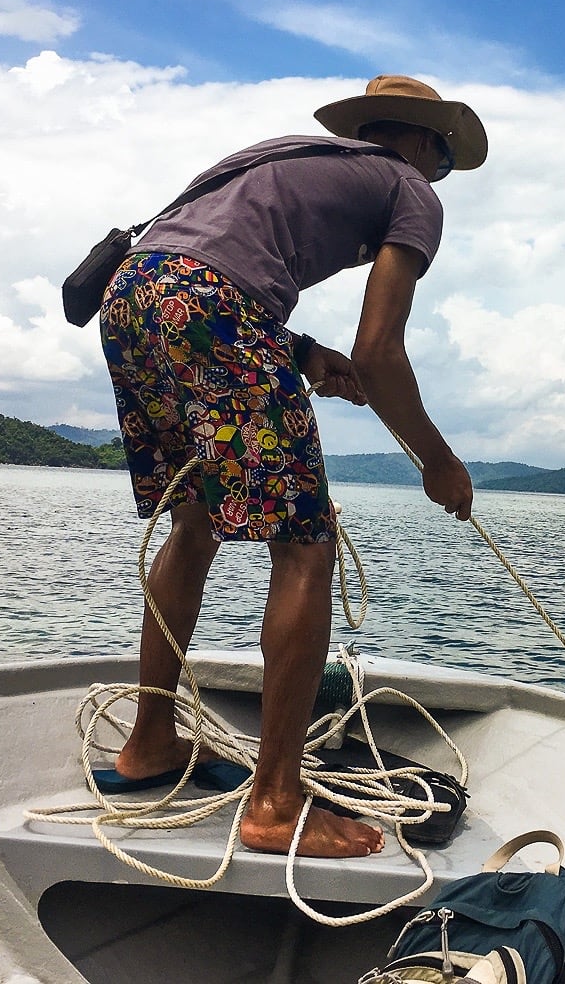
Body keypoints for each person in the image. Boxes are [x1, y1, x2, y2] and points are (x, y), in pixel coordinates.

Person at [97, 75, 484, 858]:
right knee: (306, 546)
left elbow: (200, 267)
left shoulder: (279, 156)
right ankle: (276, 802)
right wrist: (437, 462)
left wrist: (303, 354)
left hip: (130, 298)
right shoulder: (409, 187)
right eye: (442, 160)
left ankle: (148, 744)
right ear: (416, 142)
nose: (437, 178)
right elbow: (381, 353)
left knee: (197, 522)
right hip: (211, 304)